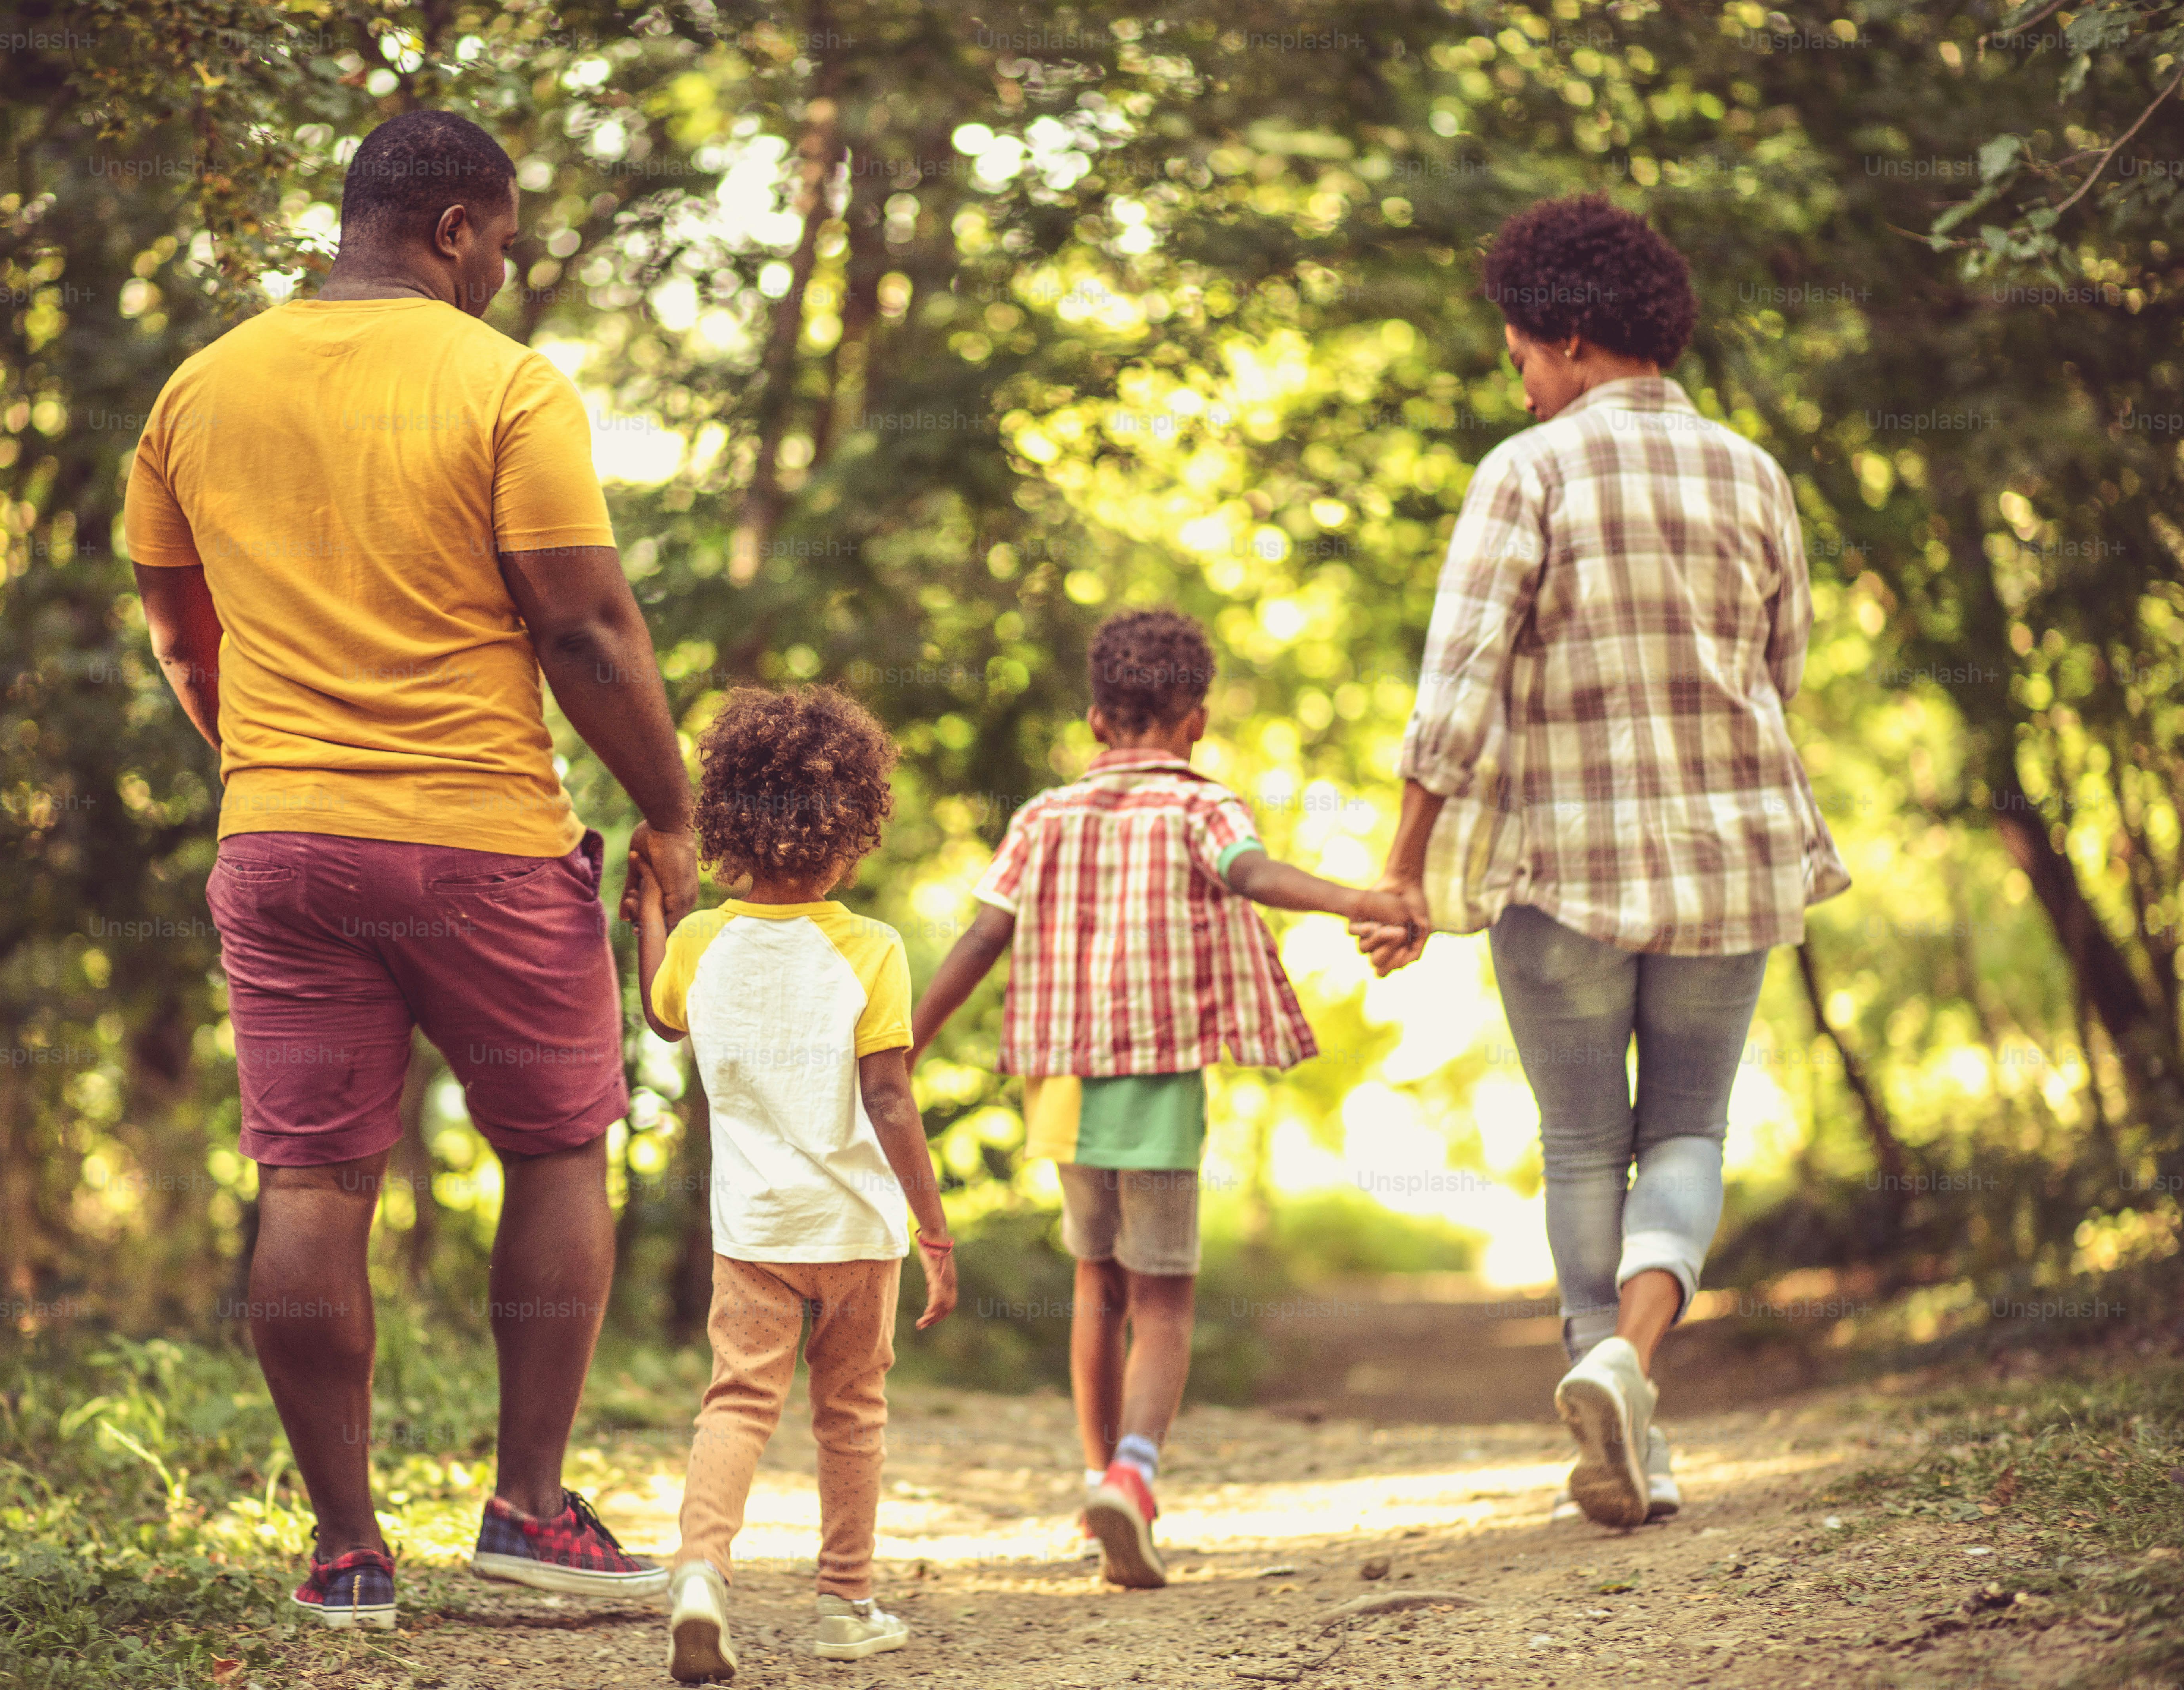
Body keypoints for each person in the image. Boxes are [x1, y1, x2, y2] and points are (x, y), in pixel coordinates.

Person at [123, 110, 699, 1629]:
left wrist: (274, 772)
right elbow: (580, 625)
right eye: (502, 240)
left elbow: (181, 638)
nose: (502, 267)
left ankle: (345, 1552)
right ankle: (525, 1512)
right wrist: (670, 810)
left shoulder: (196, 390)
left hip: (280, 846)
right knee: (557, 1149)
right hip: (479, 840)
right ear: (453, 229)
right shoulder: (503, 383)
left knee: (311, 1180)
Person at [1351, 193, 1849, 1530]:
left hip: (1558, 868)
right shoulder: (1751, 473)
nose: (1516, 381)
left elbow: (1454, 690)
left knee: (1581, 1146)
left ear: (1568, 337)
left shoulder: (1528, 472)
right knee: (1687, 1131)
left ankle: (1604, 1388)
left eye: (1518, 353)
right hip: (1730, 865)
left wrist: (1401, 872)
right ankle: (1632, 1367)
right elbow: (1782, 669)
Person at [909, 608, 1414, 1588]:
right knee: (1163, 1298)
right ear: (1197, 722)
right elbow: (1250, 874)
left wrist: (903, 1048)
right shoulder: (1201, 808)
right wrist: (1360, 900)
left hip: (1058, 1082)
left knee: (1094, 1284)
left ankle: (1095, 1477)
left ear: (1097, 721)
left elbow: (979, 938)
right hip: (1154, 1082)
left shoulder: (1040, 816)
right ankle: (1134, 1476)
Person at [626, 685, 958, 1683]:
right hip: (856, 1229)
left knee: (735, 1402)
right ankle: (844, 1605)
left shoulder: (700, 945)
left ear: (728, 820)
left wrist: (651, 911)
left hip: (752, 1232)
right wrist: (934, 1231)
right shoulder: (871, 949)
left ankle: (699, 1571)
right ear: (851, 829)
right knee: (850, 1411)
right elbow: (889, 1099)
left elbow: (661, 1016)